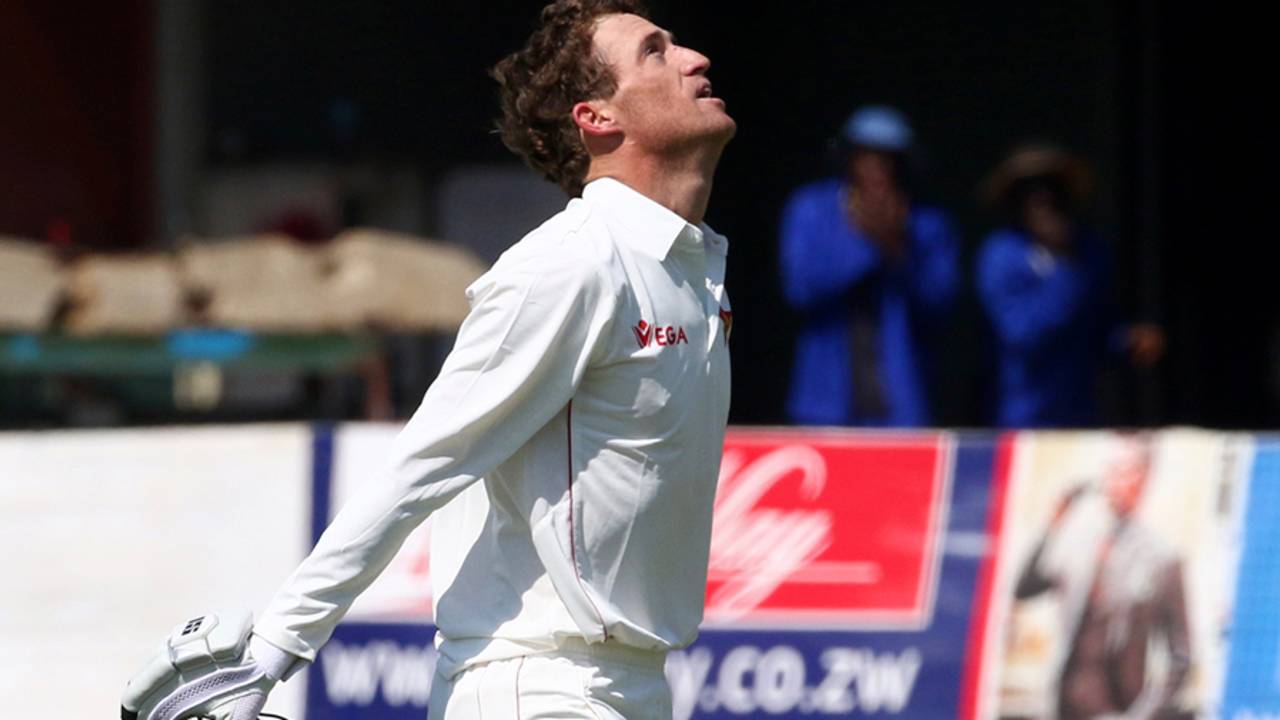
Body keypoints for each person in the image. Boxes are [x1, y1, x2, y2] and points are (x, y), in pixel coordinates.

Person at [120, 1, 736, 718]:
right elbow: (425, 463)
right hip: (538, 684)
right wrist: (272, 651)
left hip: (637, 687)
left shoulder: (696, 266)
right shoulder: (570, 266)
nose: (695, 58)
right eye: (656, 52)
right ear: (596, 117)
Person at [779, 105, 960, 427]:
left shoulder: (927, 223)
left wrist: (897, 246)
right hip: (825, 404)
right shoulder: (811, 208)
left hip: (901, 405)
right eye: (867, 156)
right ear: (849, 159)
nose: (878, 169)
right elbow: (801, 290)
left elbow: (941, 305)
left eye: (888, 158)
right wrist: (866, 245)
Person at [976, 143, 1165, 428]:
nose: (1042, 199)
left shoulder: (1091, 253)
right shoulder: (1001, 254)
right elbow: (1021, 335)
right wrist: (1063, 268)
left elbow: (1097, 332)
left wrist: (1127, 342)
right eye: (1031, 189)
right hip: (1022, 416)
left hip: (1080, 415)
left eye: (1051, 188)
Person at [1012, 437, 1192, 719]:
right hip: (1060, 706)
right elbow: (1024, 588)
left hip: (1117, 707)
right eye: (1111, 469)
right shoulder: (1076, 540)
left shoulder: (1163, 558)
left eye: (1125, 470)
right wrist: (1053, 523)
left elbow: (1181, 657)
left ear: (1144, 477)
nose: (1115, 479)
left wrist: (1142, 715)